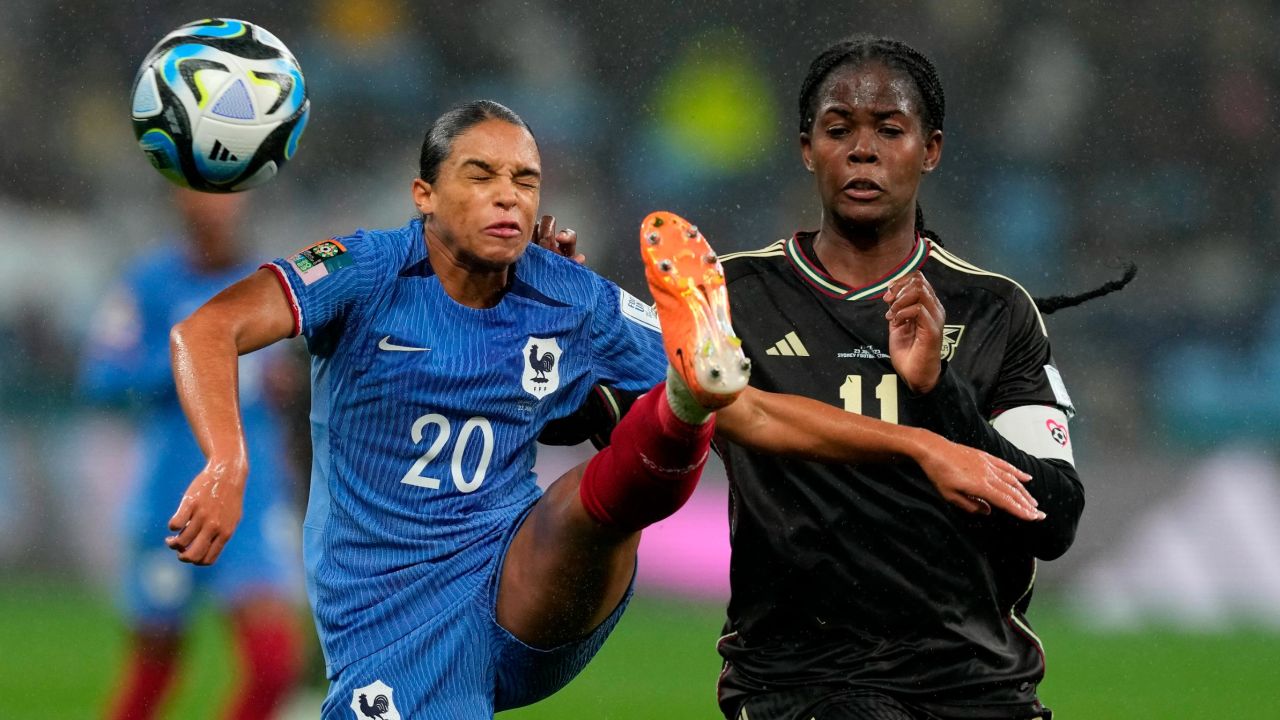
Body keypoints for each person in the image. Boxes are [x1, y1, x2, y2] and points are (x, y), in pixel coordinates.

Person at [162, 100, 1041, 719]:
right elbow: (207, 329)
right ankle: (679, 398)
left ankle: (684, 396)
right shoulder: (360, 269)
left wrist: (920, 446)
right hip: (389, 618)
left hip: (523, 584)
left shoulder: (566, 294)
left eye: (526, 179)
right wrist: (226, 461)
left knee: (615, 477)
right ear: (424, 194)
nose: (510, 196)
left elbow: (765, 417)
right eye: (481, 175)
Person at [710, 36, 1116, 720]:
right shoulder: (734, 296)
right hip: (801, 679)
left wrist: (939, 390)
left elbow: (1055, 519)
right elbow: (615, 422)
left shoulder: (993, 310)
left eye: (889, 130)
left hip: (976, 682)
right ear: (807, 148)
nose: (862, 150)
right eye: (839, 130)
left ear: (930, 150)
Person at [80, 189, 304, 720]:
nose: (213, 205)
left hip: (251, 502)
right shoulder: (147, 285)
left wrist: (284, 382)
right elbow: (103, 379)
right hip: (171, 502)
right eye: (198, 191)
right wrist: (195, 356)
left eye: (226, 193)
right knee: (154, 671)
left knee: (274, 665)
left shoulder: (272, 287)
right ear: (177, 198)